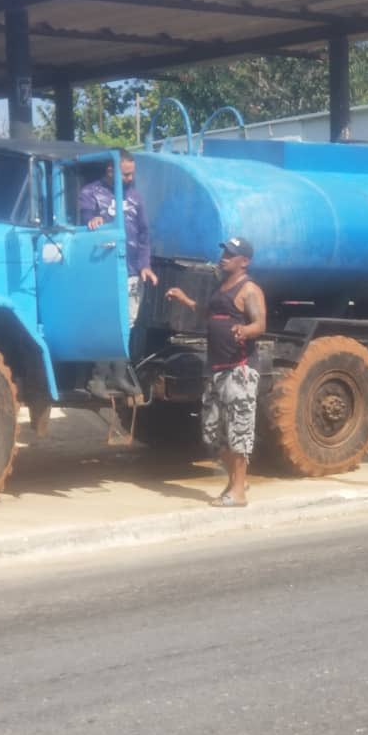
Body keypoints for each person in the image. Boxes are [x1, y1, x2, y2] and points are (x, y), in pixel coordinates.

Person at [165, 237, 266, 507]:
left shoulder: (249, 289)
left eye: (231, 254)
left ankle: (238, 492)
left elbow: (260, 324)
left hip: (240, 370)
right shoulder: (222, 288)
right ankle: (236, 482)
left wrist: (245, 331)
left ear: (244, 261)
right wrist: (185, 300)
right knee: (214, 432)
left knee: (239, 432)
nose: (224, 257)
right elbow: (206, 316)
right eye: (224, 252)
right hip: (217, 370)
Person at [79, 149, 158, 398]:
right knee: (107, 322)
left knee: (128, 323)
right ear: (110, 170)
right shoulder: (90, 194)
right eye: (125, 174)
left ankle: (120, 375)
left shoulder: (135, 197)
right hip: (104, 271)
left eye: (132, 174)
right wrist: (92, 222)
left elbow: (144, 235)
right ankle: (98, 378)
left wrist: (145, 265)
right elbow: (85, 222)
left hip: (132, 271)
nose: (129, 178)